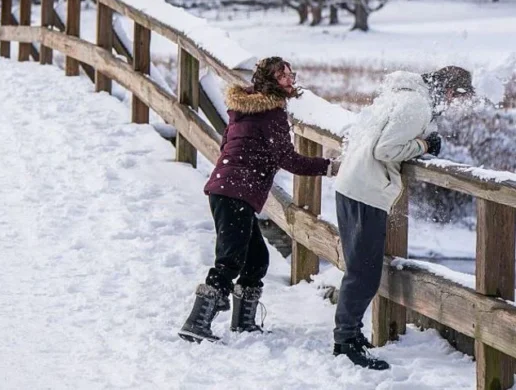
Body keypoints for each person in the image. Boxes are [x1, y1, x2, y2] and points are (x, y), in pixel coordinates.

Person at [178, 57, 339, 343]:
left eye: (291, 74)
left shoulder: (242, 109)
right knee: (229, 261)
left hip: (226, 189)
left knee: (256, 260)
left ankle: (243, 323)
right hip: (236, 193)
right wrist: (328, 167)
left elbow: (227, 145)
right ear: (269, 82)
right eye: (283, 76)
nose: (290, 80)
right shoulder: (271, 114)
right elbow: (288, 159)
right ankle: (196, 323)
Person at [332, 66, 474, 370]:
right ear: (450, 91)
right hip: (366, 190)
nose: (453, 104)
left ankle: (349, 335)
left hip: (352, 184)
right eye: (456, 98)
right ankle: (345, 341)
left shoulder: (402, 95)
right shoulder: (416, 104)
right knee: (364, 272)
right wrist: (424, 145)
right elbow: (385, 150)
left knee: (361, 268)